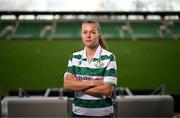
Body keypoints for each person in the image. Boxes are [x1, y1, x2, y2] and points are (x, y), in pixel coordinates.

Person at [63, 19, 117, 117]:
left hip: (104, 115)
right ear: (81, 35)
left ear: (98, 34)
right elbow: (67, 85)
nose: (88, 36)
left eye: (92, 32)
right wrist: (93, 82)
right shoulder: (74, 57)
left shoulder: (109, 57)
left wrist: (78, 85)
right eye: (85, 32)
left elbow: (107, 90)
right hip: (78, 115)